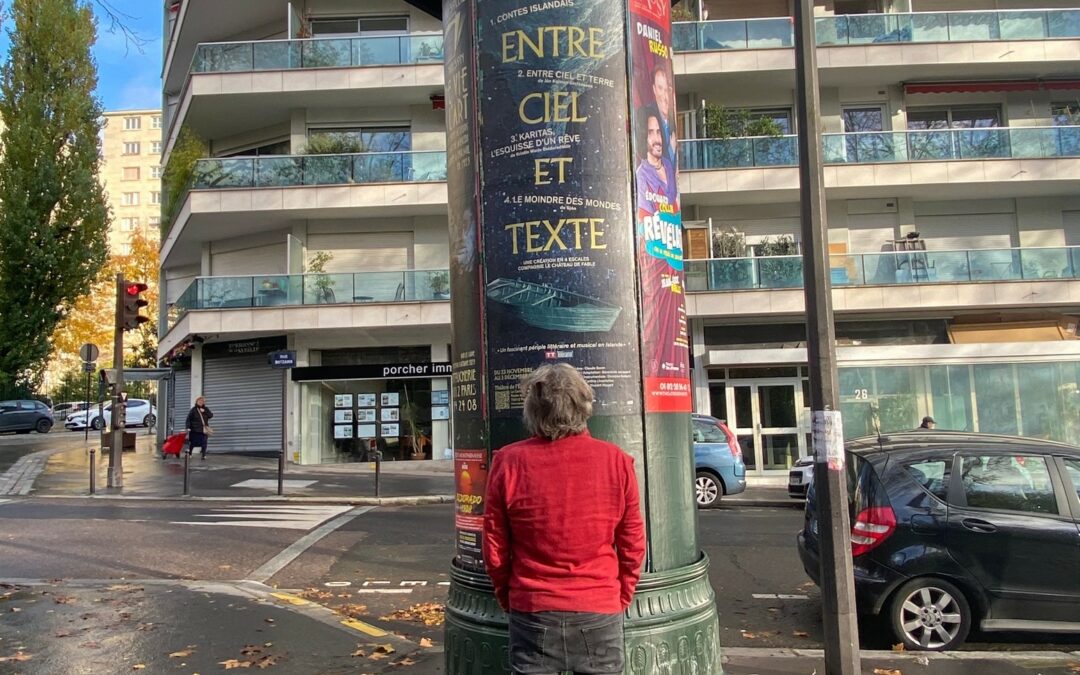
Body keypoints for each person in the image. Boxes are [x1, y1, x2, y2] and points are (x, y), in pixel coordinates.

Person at [483, 364, 646, 675]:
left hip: (533, 608)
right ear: (584, 405)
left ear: (533, 410)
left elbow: (495, 544)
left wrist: (508, 595)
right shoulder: (616, 462)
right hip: (599, 605)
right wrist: (621, 594)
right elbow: (632, 541)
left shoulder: (508, 462)